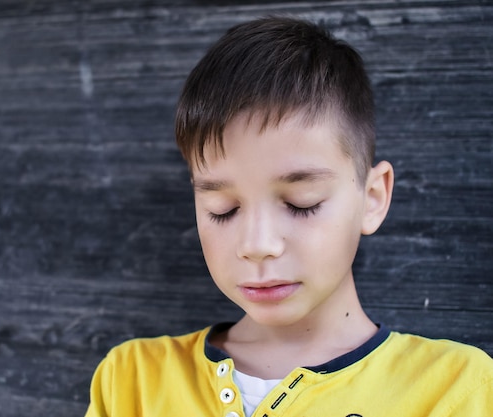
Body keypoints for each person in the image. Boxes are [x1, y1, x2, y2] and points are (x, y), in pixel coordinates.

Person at [85, 16, 493, 417]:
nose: (257, 245)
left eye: (302, 202)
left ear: (371, 198)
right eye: (222, 210)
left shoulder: (455, 389)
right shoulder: (131, 382)